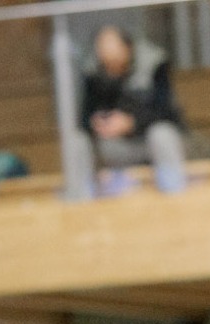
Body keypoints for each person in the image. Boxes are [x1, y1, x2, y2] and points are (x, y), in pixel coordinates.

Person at [69, 25, 188, 196]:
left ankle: (174, 190)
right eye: (107, 63)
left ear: (127, 49)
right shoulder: (93, 74)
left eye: (115, 61)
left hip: (149, 143)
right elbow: (84, 118)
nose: (112, 67)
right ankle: (81, 196)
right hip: (113, 148)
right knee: (78, 140)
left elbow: (167, 112)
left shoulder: (153, 65)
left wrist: (131, 123)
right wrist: (98, 123)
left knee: (162, 133)